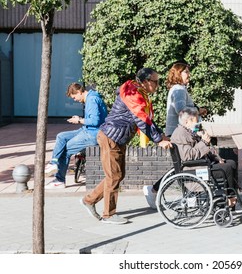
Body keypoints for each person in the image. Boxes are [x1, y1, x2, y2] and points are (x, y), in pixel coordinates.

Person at [80, 68, 171, 225]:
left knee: (117, 175)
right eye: (156, 81)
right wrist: (158, 140)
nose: (158, 85)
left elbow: (146, 118)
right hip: (111, 137)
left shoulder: (137, 93)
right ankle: (108, 214)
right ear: (146, 81)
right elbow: (142, 120)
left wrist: (160, 134)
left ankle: (89, 200)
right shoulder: (133, 95)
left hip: (117, 138)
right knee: (114, 176)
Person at [144, 107, 240, 209]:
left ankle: (232, 196)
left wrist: (216, 158)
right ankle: (230, 199)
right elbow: (188, 156)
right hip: (193, 169)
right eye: (196, 120)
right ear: (187, 121)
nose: (198, 122)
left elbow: (200, 151)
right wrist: (204, 142)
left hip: (200, 164)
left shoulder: (189, 132)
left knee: (231, 163)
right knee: (227, 169)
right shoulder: (180, 134)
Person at [143, 62, 207, 206]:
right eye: (186, 72)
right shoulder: (178, 90)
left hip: (179, 132)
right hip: (179, 133)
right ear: (178, 74)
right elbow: (182, 110)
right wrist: (198, 109)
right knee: (183, 166)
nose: (189, 74)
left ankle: (189, 195)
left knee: (181, 166)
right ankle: (154, 190)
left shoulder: (178, 89)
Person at [44, 83, 108, 189]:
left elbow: (95, 121)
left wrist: (79, 120)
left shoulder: (91, 100)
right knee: (61, 136)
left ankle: (59, 180)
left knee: (65, 150)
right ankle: (53, 162)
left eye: (74, 97)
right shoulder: (91, 97)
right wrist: (79, 118)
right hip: (86, 129)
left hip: (92, 134)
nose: (75, 100)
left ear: (79, 92)